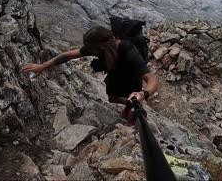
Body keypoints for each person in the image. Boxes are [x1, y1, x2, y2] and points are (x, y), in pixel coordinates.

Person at [22, 26, 158, 121]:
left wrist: (143, 94)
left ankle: (135, 115)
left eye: (93, 50)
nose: (90, 52)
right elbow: (68, 55)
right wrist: (42, 66)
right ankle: (128, 106)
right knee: (112, 97)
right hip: (114, 73)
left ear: (102, 45)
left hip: (131, 76)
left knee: (133, 98)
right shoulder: (97, 48)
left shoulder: (127, 49)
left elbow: (152, 80)